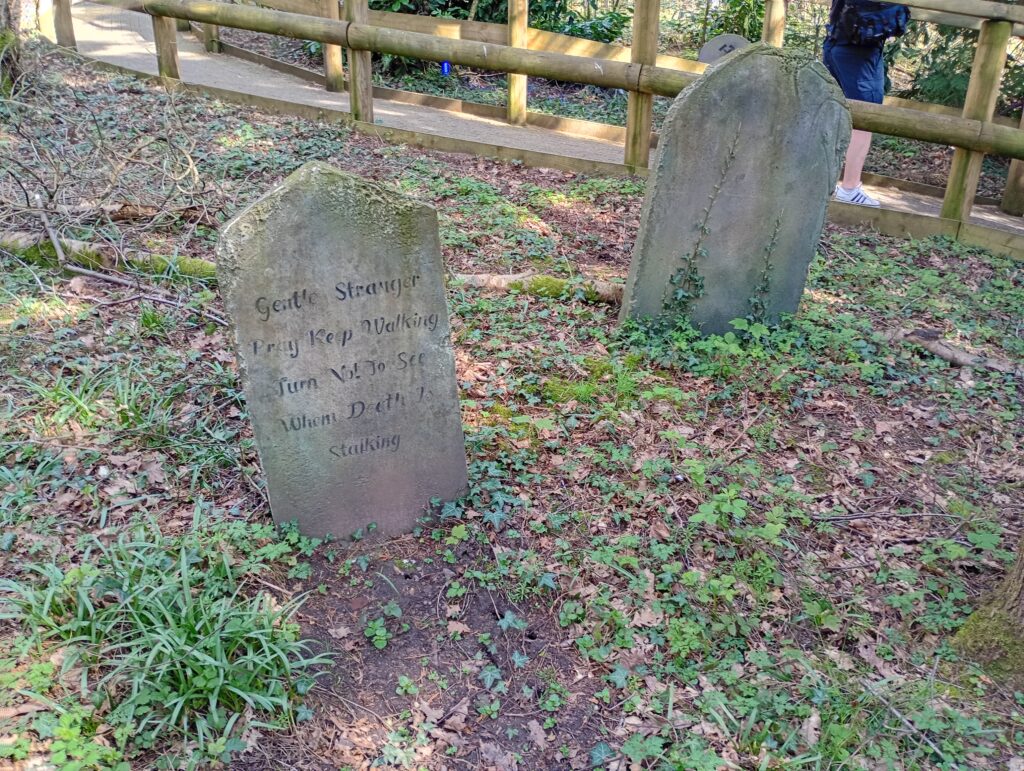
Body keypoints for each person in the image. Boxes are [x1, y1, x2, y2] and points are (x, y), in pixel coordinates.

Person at [823, 0, 910, 207]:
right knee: (865, 121)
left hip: (836, 43)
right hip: (859, 51)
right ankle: (849, 188)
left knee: (835, 114)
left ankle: (828, 181)